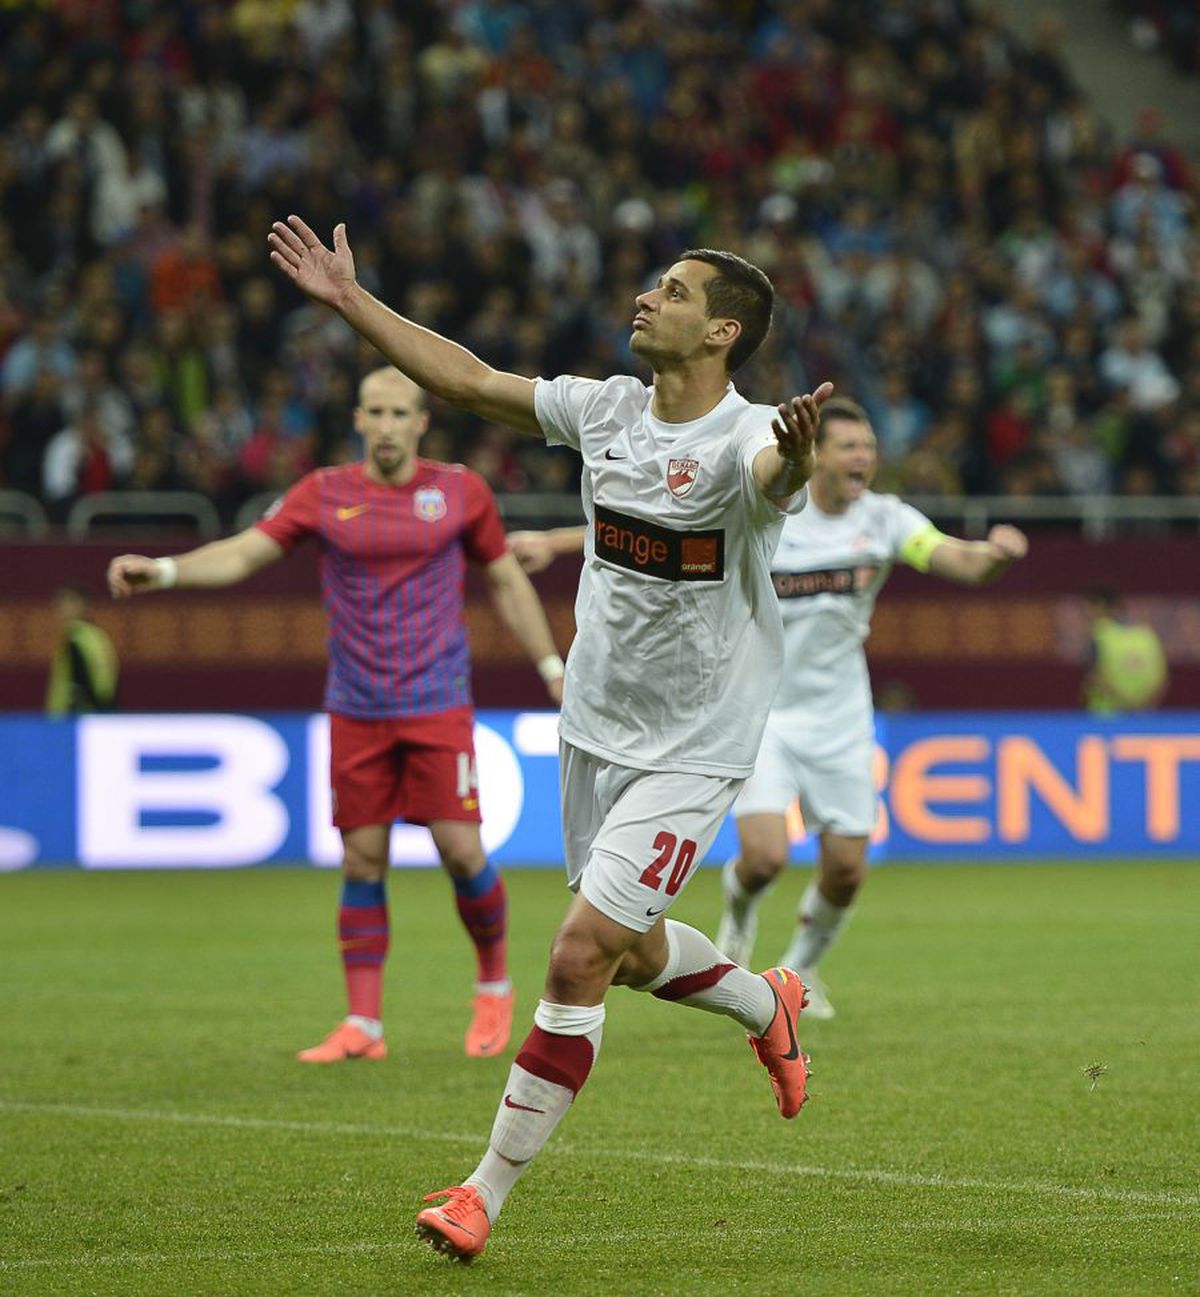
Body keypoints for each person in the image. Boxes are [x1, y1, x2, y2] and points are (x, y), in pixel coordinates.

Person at [266, 213, 829, 1261]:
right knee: (627, 954)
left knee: (577, 954)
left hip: (694, 745)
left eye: (674, 290)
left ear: (722, 334)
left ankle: (480, 1193)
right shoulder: (605, 408)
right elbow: (471, 380)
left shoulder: (747, 436)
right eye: (654, 283)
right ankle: (767, 1000)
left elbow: (770, 482)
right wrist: (352, 302)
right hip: (595, 732)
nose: (648, 296)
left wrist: (794, 465)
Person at [510, 398, 1029, 1020]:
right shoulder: (774, 510)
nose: (861, 456)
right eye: (847, 446)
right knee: (764, 856)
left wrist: (995, 556)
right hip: (760, 708)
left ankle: (803, 970)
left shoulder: (887, 520)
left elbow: (956, 558)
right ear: (817, 455)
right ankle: (737, 920)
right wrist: (555, 541)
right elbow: (655, 527)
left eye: (867, 445)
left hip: (840, 716)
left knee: (846, 869)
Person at [107, 366, 566, 1064]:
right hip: (356, 707)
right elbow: (242, 554)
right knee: (361, 858)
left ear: (421, 422)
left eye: (399, 412)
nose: (386, 424)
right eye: (375, 411)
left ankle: (494, 984)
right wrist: (164, 571)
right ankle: (364, 1024)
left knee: (461, 849)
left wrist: (551, 668)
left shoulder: (459, 491)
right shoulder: (325, 493)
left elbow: (505, 578)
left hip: (437, 702)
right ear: (358, 419)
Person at [1082, 585, 1168, 714]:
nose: (1086, 614)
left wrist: (1126, 703)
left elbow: (1095, 677)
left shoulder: (1100, 634)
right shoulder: (1147, 636)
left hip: (1105, 718)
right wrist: (1139, 705)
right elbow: (1162, 681)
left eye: (1088, 608)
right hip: (1144, 717)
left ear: (1099, 606)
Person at [45, 584, 120, 715]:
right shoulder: (95, 637)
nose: (63, 609)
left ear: (84, 606)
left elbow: (87, 685)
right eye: (60, 603)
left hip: (78, 721)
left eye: (70, 602)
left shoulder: (79, 640)